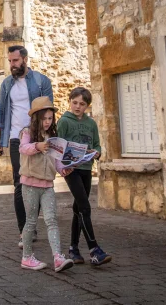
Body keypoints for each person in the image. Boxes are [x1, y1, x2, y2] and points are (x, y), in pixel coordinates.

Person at [0, 45, 53, 245]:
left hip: (37, 138)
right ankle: (24, 230)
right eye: (9, 61)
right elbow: (1, 111)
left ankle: (33, 223)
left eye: (15, 61)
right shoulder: (6, 84)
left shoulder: (41, 81)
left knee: (36, 182)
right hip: (15, 139)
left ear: (25, 60)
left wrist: (49, 138)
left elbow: (49, 112)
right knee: (20, 183)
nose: (12, 65)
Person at [57, 86, 111, 267]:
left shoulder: (91, 124)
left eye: (82, 104)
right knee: (85, 207)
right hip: (72, 170)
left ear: (87, 106)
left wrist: (97, 152)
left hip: (87, 168)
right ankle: (94, 250)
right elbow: (58, 146)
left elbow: (97, 145)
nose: (77, 107)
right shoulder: (64, 122)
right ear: (70, 102)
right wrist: (64, 165)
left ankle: (73, 249)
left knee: (78, 208)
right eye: (75, 103)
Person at [19, 97, 74, 273]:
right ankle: (27, 257)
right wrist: (38, 145)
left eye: (50, 118)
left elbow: (55, 160)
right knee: (31, 221)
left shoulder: (52, 137)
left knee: (52, 220)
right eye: (44, 118)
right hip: (30, 185)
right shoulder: (26, 132)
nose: (47, 122)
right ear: (36, 118)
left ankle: (58, 257)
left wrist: (63, 170)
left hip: (48, 186)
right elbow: (23, 149)